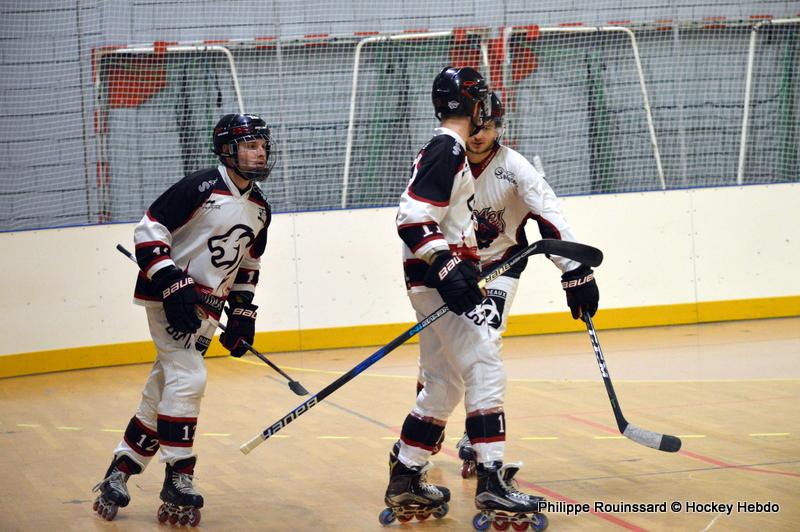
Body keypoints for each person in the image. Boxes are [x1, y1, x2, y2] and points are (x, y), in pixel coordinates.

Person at [380, 66, 549, 530]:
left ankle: (407, 476)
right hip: (440, 282)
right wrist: (449, 268)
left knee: (444, 383)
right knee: (484, 364)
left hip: (434, 281)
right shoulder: (448, 148)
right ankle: (492, 478)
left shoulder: (445, 147)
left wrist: (448, 268)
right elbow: (412, 218)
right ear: (474, 105)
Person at [92, 113, 274, 526]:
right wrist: (172, 282)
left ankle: (121, 469)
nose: (259, 151)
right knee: (189, 378)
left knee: (164, 388)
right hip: (170, 301)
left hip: (208, 309)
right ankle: (179, 475)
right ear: (227, 150)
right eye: (249, 144)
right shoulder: (201, 186)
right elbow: (149, 229)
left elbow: (248, 262)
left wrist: (242, 315)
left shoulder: (261, 208)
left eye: (262, 144)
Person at [446, 92, 600, 480]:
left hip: (501, 267)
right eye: (474, 126)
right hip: (453, 270)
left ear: (500, 127)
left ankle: (475, 436)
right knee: (443, 358)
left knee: (485, 338)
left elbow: (550, 219)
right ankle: (420, 437)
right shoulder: (445, 162)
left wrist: (576, 272)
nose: (480, 135)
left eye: (489, 126)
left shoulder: (515, 168)